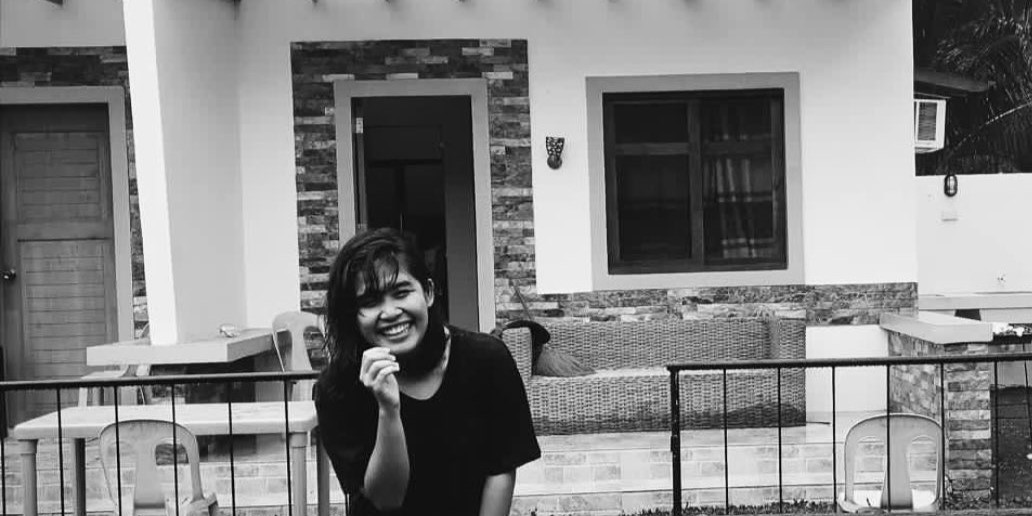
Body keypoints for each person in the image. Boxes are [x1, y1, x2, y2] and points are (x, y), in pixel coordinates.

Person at [314, 228, 540, 515]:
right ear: (353, 316)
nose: (390, 312)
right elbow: (386, 499)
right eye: (370, 302)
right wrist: (388, 410)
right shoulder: (338, 387)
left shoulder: (487, 360)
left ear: (429, 292)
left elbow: (500, 469)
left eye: (401, 293)